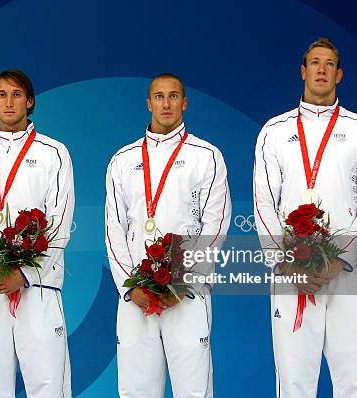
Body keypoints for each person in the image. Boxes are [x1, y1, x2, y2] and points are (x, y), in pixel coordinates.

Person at [253, 37, 357, 398]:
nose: (322, 69)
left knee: (353, 383)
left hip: (348, 275)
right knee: (294, 384)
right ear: (303, 71)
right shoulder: (274, 132)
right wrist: (285, 263)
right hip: (292, 274)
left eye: (329, 64)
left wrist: (341, 258)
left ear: (339, 75)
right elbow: (264, 205)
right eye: (315, 62)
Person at [105, 73, 231, 397]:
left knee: (193, 391)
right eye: (159, 97)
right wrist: (130, 288)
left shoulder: (207, 156)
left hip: (186, 296)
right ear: (148, 103)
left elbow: (215, 227)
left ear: (184, 103)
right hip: (137, 299)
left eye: (173, 96)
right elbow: (113, 229)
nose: (166, 103)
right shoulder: (122, 160)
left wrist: (180, 283)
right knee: (136, 391)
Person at [0, 69, 74, 398]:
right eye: (2, 95)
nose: (9, 102)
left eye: (17, 94)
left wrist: (22, 273)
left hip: (38, 286)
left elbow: (60, 222)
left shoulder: (54, 153)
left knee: (48, 384)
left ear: (30, 101)